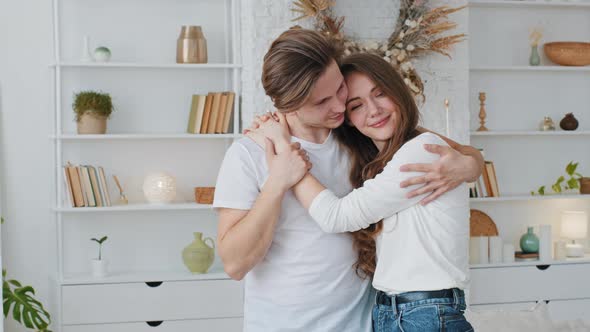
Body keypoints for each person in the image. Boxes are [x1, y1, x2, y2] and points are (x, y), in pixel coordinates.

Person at [213, 27, 482, 332]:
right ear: (287, 106)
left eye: (340, 89)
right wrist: (278, 180)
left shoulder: (361, 136)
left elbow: (449, 150)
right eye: (321, 102)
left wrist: (470, 165)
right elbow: (235, 265)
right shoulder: (251, 153)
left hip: (366, 324)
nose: (339, 107)